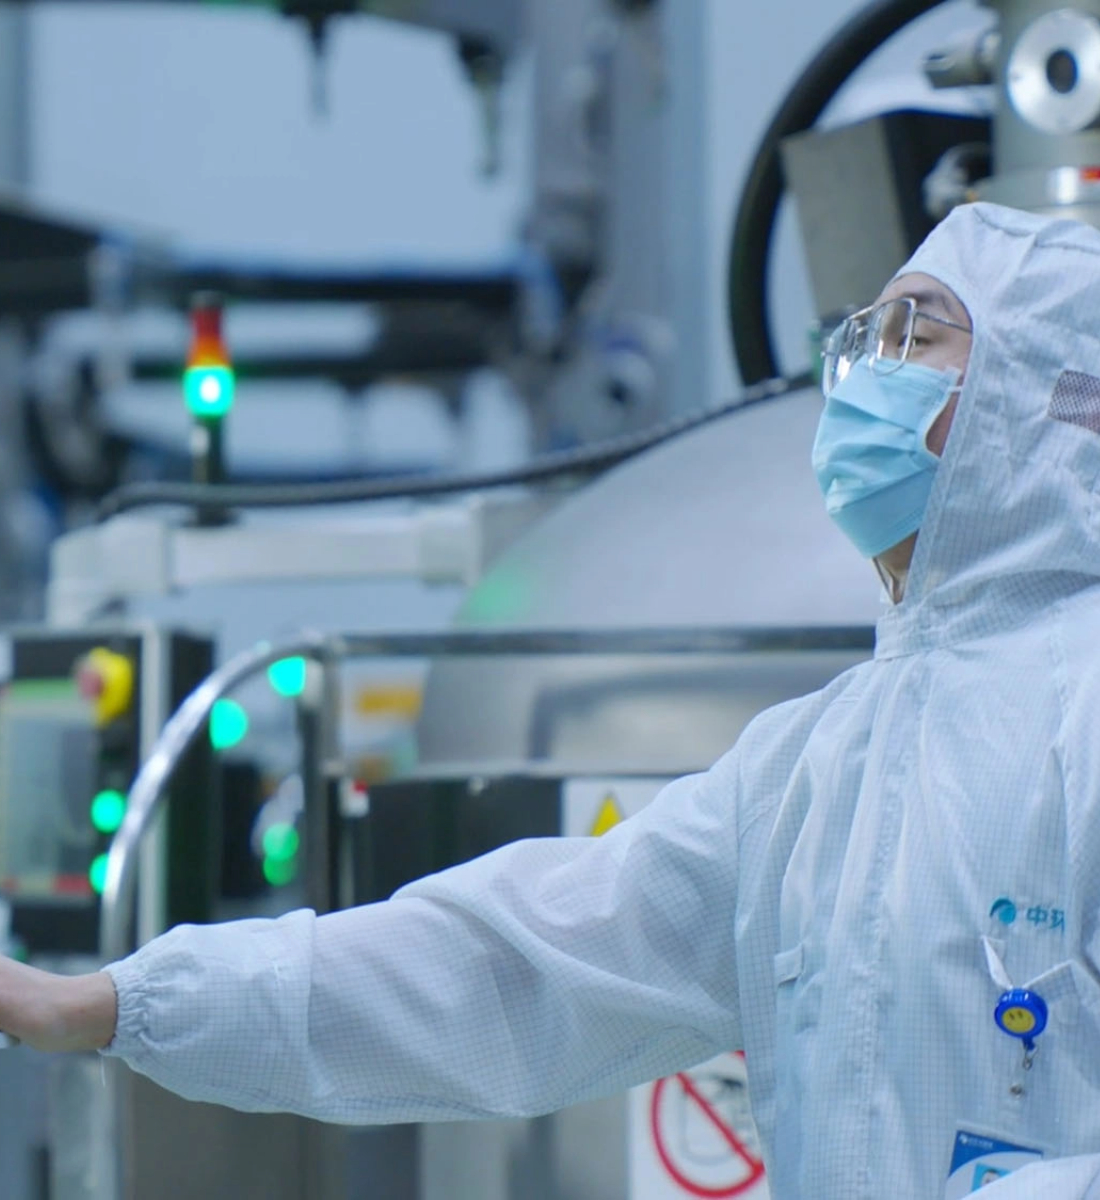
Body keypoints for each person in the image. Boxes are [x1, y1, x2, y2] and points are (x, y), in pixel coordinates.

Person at [3, 200, 1100, 1199]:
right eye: (860, 337)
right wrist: (112, 1003)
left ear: (1045, 401)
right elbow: (499, 968)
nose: (863, 374)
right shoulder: (817, 768)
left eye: (915, 334)